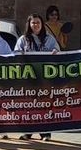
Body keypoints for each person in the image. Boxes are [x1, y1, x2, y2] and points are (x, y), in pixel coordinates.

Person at [13, 13, 60, 141]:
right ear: (29, 24)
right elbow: (16, 53)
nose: (36, 25)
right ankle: (27, 131)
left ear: (42, 24)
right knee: (29, 105)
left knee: (44, 104)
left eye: (38, 22)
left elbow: (57, 51)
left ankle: (45, 133)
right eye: (33, 23)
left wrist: (56, 52)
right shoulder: (23, 39)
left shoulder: (49, 39)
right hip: (28, 78)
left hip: (45, 77)